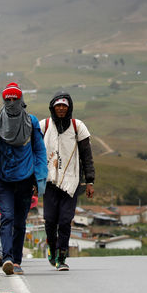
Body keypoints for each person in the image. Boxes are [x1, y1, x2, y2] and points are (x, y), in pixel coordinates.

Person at [0, 83, 47, 276]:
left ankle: (16, 260)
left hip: (26, 179)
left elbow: (39, 151)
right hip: (3, 179)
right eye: (7, 99)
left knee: (20, 221)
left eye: (14, 99)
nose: (10, 103)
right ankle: (7, 258)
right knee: (7, 217)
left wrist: (39, 179)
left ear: (21, 100)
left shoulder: (32, 122)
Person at [42, 91, 95, 271]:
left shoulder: (77, 126)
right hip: (49, 180)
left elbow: (87, 156)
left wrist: (90, 181)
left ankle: (62, 256)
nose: (61, 109)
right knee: (50, 220)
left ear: (69, 107)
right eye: (58, 106)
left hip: (71, 181)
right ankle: (51, 247)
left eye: (64, 106)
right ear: (53, 107)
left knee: (65, 220)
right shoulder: (44, 125)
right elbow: (34, 151)